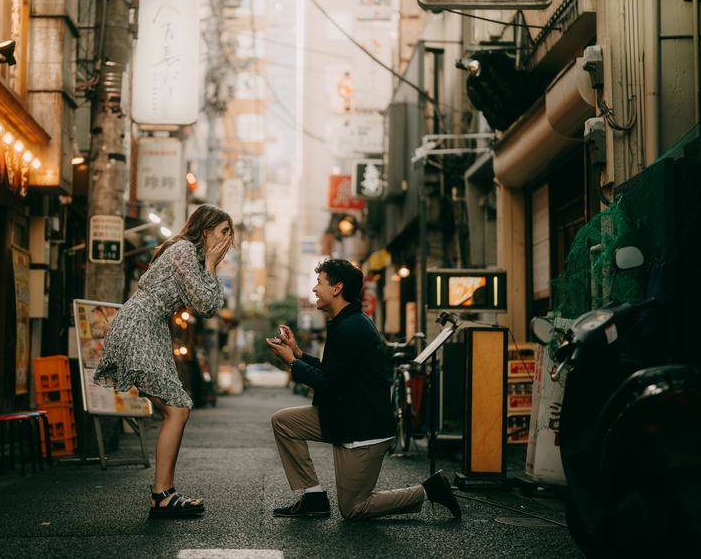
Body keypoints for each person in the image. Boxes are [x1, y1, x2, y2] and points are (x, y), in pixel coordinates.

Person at [265, 258, 462, 521]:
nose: (314, 289)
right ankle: (313, 497)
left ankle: (428, 490)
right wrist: (299, 353)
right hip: (343, 415)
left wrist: (291, 361)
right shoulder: (345, 321)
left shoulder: (352, 328)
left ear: (337, 288)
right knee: (284, 422)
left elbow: (329, 384)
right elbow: (332, 372)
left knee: (354, 508)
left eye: (319, 282)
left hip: (363, 428)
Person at [94, 205, 233, 518]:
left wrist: (209, 265)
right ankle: (162, 494)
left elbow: (211, 307)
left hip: (152, 328)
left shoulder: (193, 258)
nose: (228, 240)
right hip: (140, 325)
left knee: (177, 408)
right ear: (207, 231)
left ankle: (164, 492)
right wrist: (211, 263)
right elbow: (203, 303)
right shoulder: (185, 250)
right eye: (224, 232)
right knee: (177, 408)